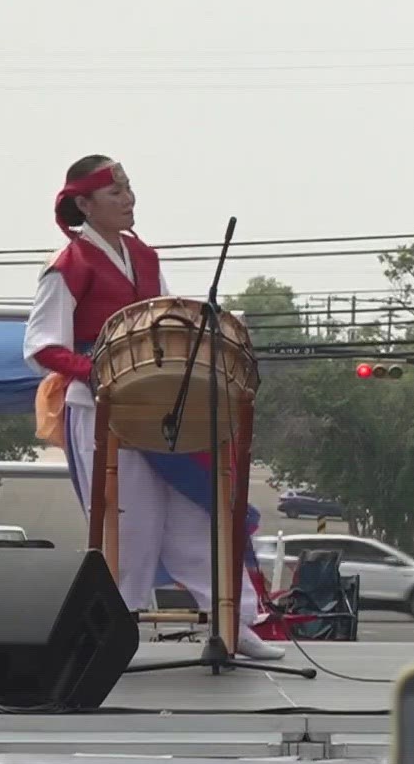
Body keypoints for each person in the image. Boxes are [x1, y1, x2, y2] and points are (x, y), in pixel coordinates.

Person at [23, 155, 285, 660]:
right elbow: (42, 347)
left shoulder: (145, 257)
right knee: (131, 524)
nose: (129, 199)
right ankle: (111, 632)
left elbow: (165, 323)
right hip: (102, 409)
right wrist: (98, 372)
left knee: (196, 514)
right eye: (116, 192)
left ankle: (235, 621)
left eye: (129, 188)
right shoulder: (68, 265)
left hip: (164, 407)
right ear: (84, 204)